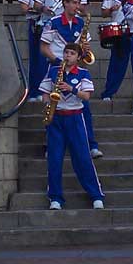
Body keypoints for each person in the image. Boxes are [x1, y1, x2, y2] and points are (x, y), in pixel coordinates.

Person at [41, 43, 105, 210]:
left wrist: (71, 89)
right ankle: (55, 198)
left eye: (72, 53)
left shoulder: (83, 73)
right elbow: (45, 92)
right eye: (66, 52)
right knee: (54, 160)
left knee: (83, 158)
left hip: (75, 118)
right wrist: (48, 105)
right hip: (56, 118)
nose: (68, 56)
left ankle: (96, 195)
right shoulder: (54, 71)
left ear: (78, 57)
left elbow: (87, 96)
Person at [40, 0, 102, 158]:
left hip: (76, 68)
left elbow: (84, 45)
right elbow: (43, 47)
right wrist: (57, 62)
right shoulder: (53, 22)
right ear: (65, 3)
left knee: (84, 109)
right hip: (57, 67)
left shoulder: (81, 22)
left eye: (78, 3)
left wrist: (85, 50)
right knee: (52, 107)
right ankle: (50, 145)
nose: (77, 6)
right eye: (74, 3)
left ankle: (90, 145)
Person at [20, 0, 53, 101]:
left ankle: (46, 91)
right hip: (36, 25)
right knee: (35, 59)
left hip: (50, 26)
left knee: (47, 60)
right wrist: (39, 8)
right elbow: (24, 8)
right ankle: (34, 92)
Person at [100, 0, 133, 101]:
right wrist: (110, 10)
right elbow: (103, 13)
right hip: (119, 31)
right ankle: (108, 93)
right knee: (117, 64)